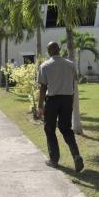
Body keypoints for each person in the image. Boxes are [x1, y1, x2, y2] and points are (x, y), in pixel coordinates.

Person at [37, 41, 84, 172]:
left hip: (52, 100)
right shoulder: (70, 65)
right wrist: (71, 101)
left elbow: (43, 87)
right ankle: (76, 155)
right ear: (59, 50)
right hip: (67, 99)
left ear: (49, 51)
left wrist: (40, 106)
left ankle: (54, 160)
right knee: (66, 129)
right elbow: (73, 84)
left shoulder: (45, 65)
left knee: (49, 129)